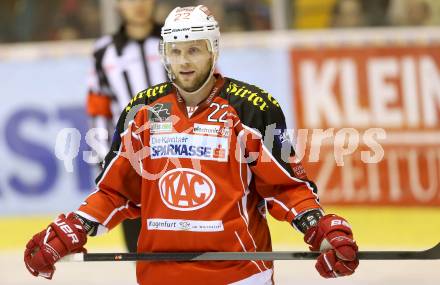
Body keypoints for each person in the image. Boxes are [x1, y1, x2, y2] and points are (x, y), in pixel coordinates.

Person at [24, 5, 359, 284]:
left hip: (239, 275)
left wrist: (317, 228)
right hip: (160, 275)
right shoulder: (142, 113)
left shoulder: (252, 109)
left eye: (194, 49)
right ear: (165, 54)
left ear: (213, 51)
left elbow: (286, 188)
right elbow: (117, 191)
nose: (184, 61)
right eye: (176, 51)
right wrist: (76, 227)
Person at [85, 0, 167, 253]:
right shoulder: (103, 51)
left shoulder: (177, 38)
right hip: (130, 161)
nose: (139, 4)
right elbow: (99, 109)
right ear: (118, 5)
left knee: (189, 242)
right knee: (140, 251)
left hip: (180, 152)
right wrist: (103, 158)